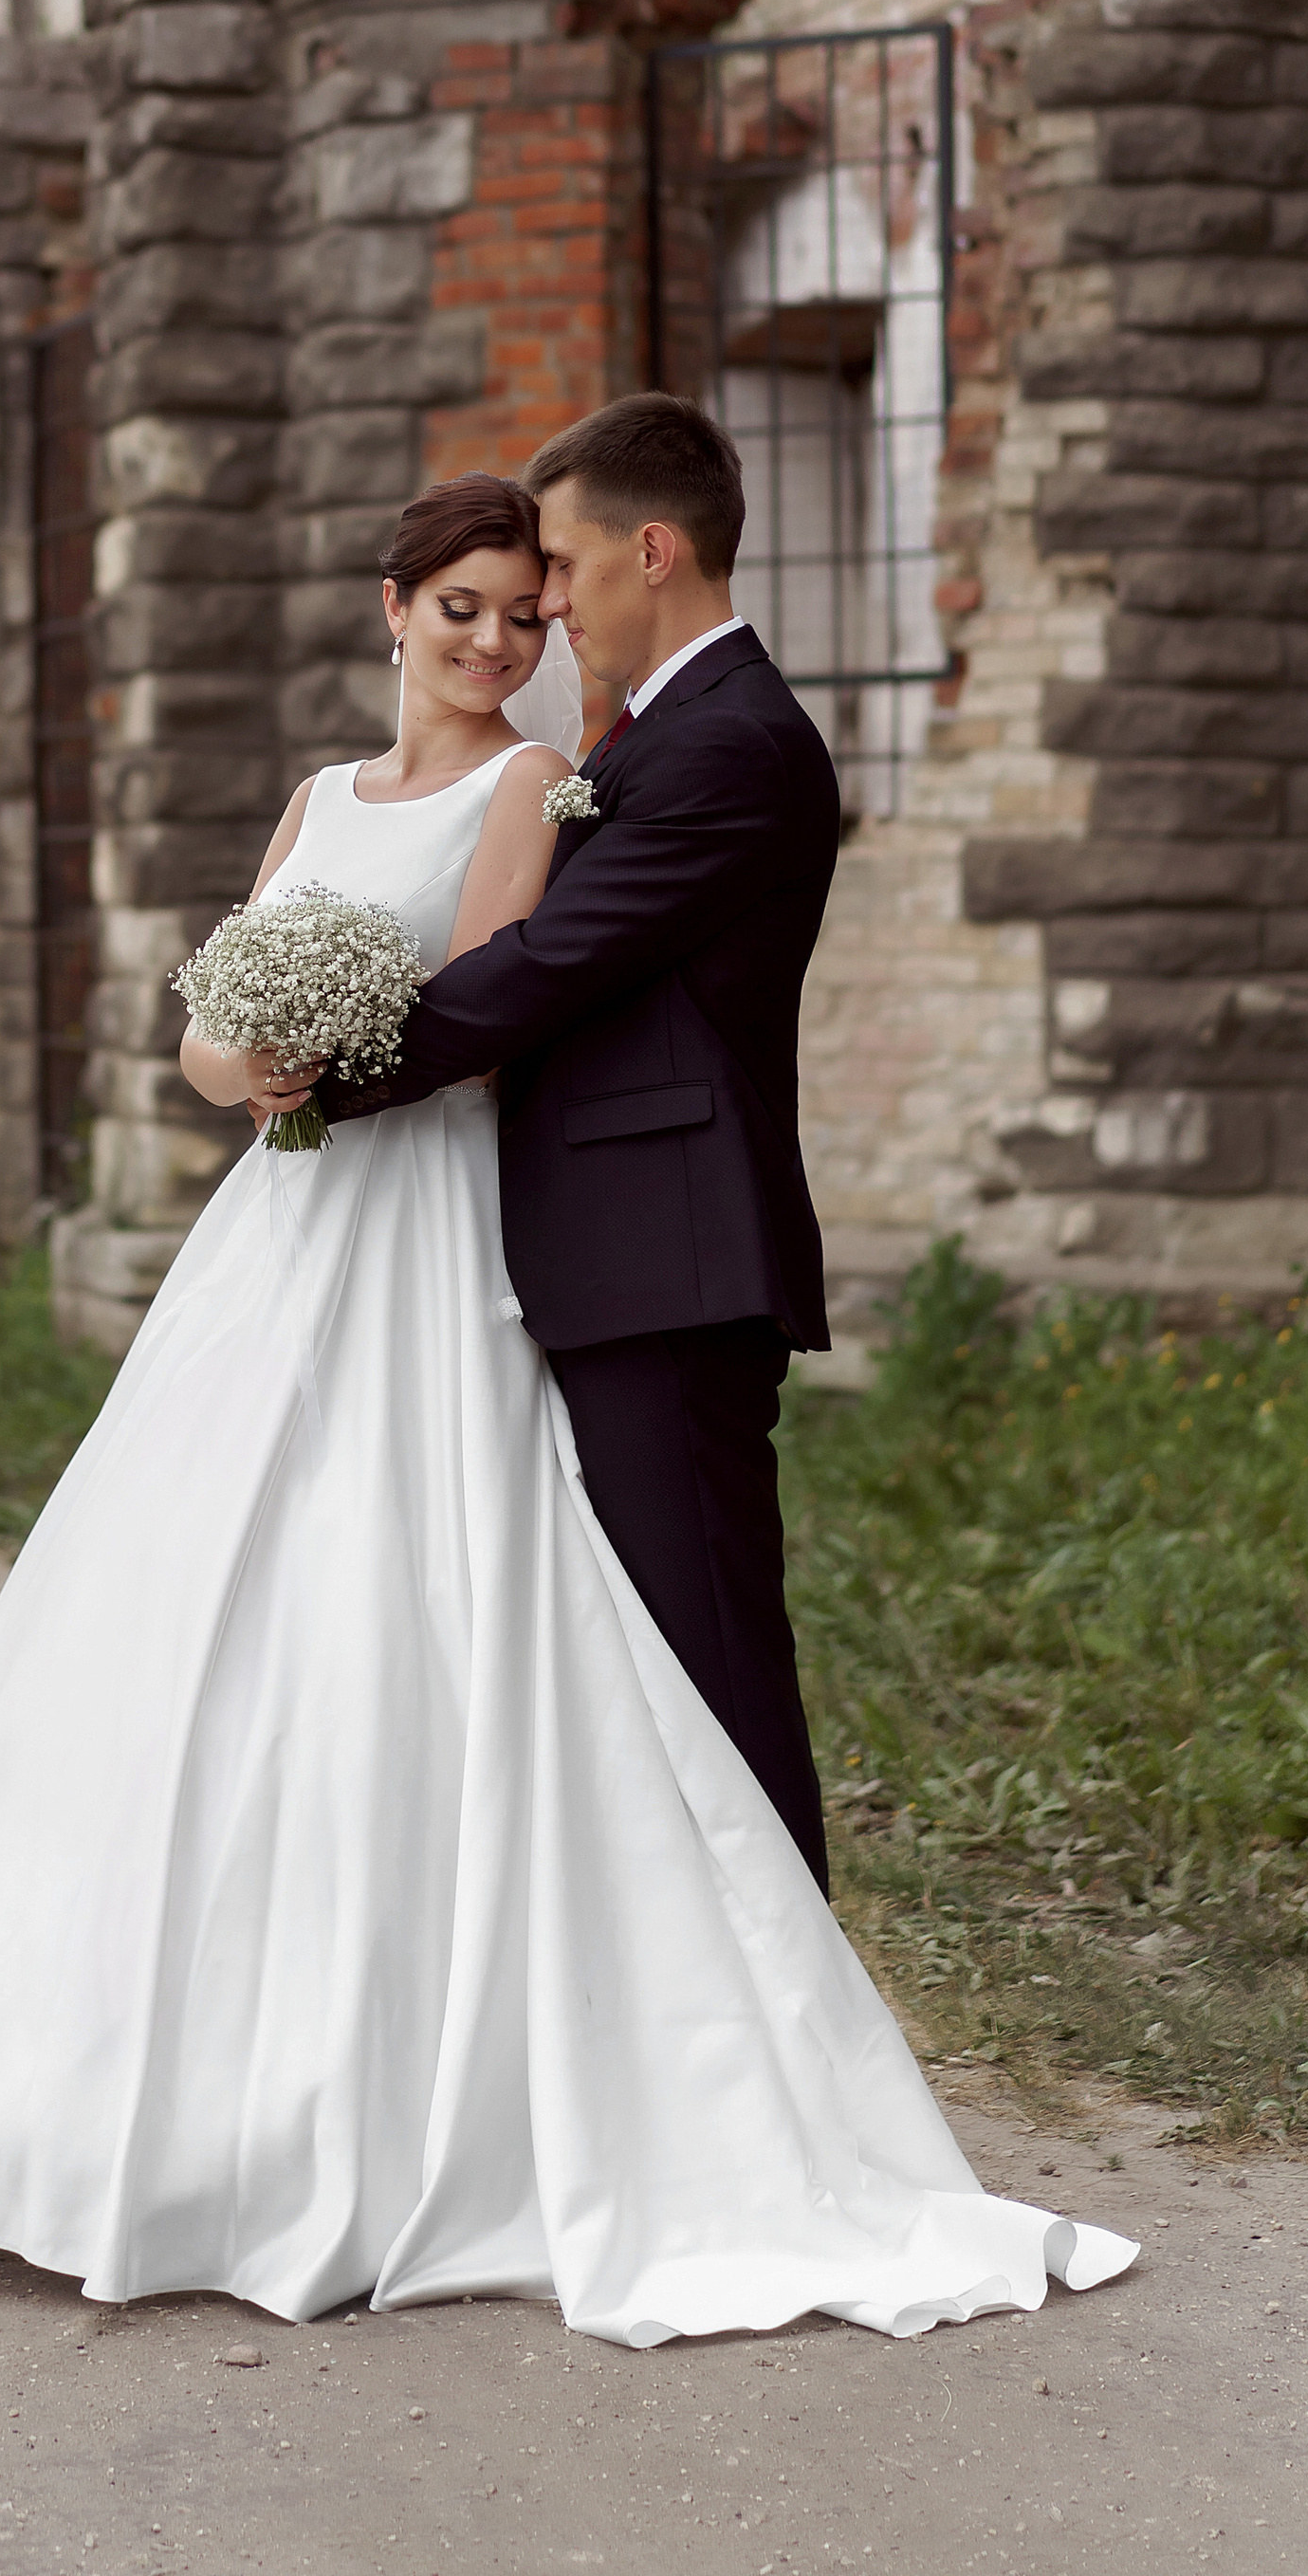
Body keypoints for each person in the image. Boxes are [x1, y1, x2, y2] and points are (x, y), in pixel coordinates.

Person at [0, 467, 1134, 2346]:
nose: (499, 640)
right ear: (391, 609)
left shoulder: (532, 788)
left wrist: (328, 1063)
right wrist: (231, 1063)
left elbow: (483, 1001)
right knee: (185, 1620)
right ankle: (93, 2100)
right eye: (464, 611)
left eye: (526, 609)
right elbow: (207, 1018)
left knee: (408, 1603)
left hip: (415, 1223)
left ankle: (462, 2088)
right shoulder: (313, 799)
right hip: (272, 1233)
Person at [291, 392, 841, 1896]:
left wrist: (319, 1079)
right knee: (632, 1671)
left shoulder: (731, 744)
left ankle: (796, 2049)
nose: (546, 612)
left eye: (564, 575)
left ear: (650, 552)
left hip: (667, 1261)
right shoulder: (662, 734)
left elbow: (543, 968)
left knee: (705, 1659)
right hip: (608, 1253)